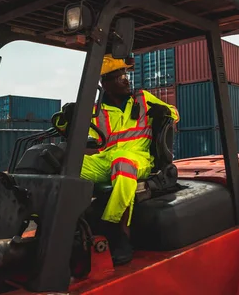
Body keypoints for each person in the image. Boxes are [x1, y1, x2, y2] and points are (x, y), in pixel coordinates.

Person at [55, 55, 179, 265]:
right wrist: (64, 116)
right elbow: (66, 129)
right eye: (119, 76)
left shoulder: (143, 98)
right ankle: (57, 227)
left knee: (123, 165)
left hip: (138, 158)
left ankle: (114, 229)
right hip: (105, 159)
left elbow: (174, 115)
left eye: (126, 75)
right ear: (105, 83)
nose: (126, 80)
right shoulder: (96, 110)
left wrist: (164, 111)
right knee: (59, 162)